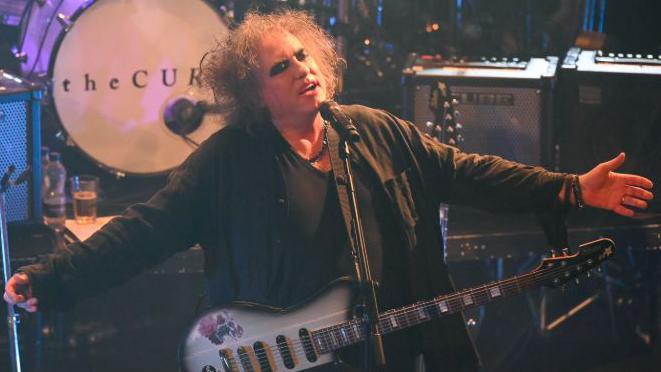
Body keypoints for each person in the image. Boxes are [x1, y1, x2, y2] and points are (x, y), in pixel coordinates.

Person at [4, 9, 654, 372]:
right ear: (253, 94)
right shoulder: (229, 161)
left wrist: (570, 188)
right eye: (278, 69)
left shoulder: (375, 133)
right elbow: (146, 229)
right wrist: (53, 279)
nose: (301, 72)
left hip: (385, 352)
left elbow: (468, 171)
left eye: (304, 58)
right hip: (288, 358)